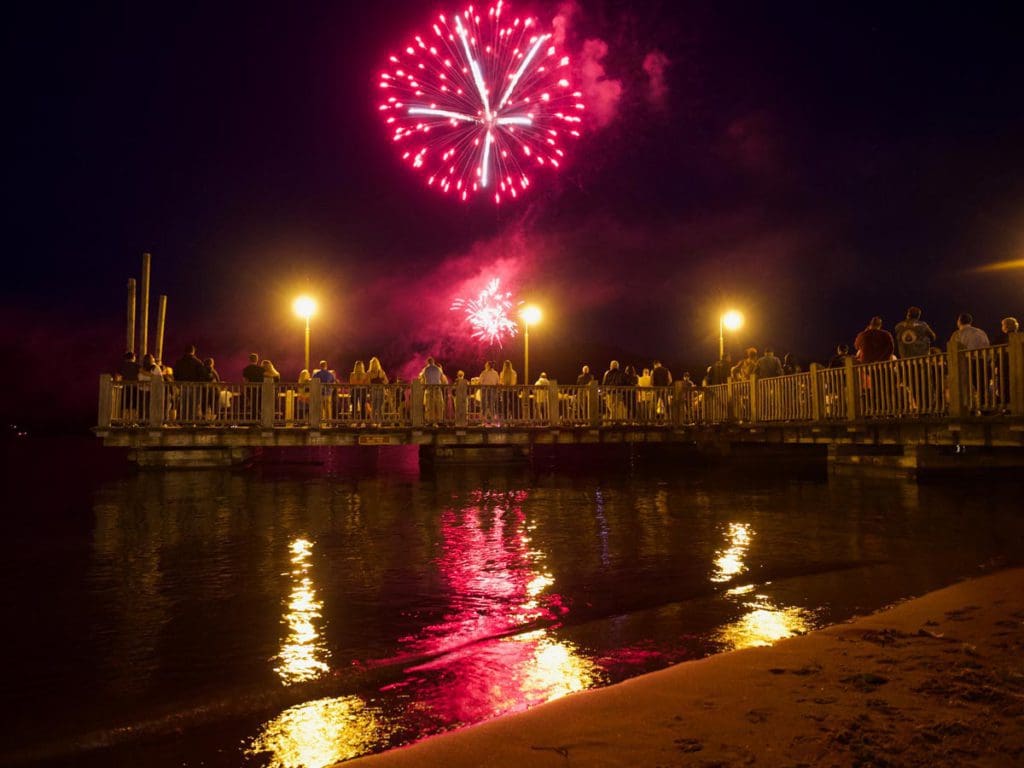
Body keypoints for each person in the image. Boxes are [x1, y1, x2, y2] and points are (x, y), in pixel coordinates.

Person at [420, 356, 444, 425]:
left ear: (427, 362)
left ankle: (429, 421)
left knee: (429, 406)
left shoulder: (425, 369)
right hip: (437, 389)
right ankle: (439, 420)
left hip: (429, 389)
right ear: (433, 362)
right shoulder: (439, 369)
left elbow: (422, 379)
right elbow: (442, 379)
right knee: (438, 405)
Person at [367, 357, 389, 424]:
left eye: (375, 363)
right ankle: (373, 422)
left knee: (380, 407)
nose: (374, 365)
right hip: (373, 391)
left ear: (378, 364)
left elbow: (386, 382)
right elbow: (367, 383)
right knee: (373, 407)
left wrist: (381, 378)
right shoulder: (369, 372)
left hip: (380, 390)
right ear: (371, 365)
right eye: (373, 364)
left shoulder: (381, 372)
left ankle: (380, 422)